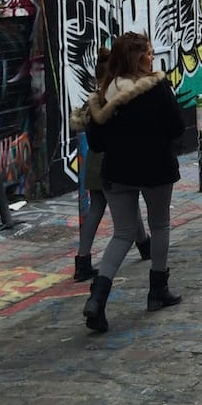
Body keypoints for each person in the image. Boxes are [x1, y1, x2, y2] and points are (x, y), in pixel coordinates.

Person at [79, 32, 186, 333]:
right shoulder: (156, 88)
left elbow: (97, 142)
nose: (153, 57)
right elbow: (177, 124)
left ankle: (97, 299)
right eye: (149, 53)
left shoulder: (105, 93)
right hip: (155, 169)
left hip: (118, 172)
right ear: (137, 58)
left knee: (123, 234)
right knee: (160, 225)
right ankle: (157, 290)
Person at [69, 45, 150, 282]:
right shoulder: (114, 99)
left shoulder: (93, 100)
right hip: (114, 161)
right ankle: (144, 245)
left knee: (97, 210)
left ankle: (83, 260)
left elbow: (83, 123)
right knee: (128, 203)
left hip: (94, 163)